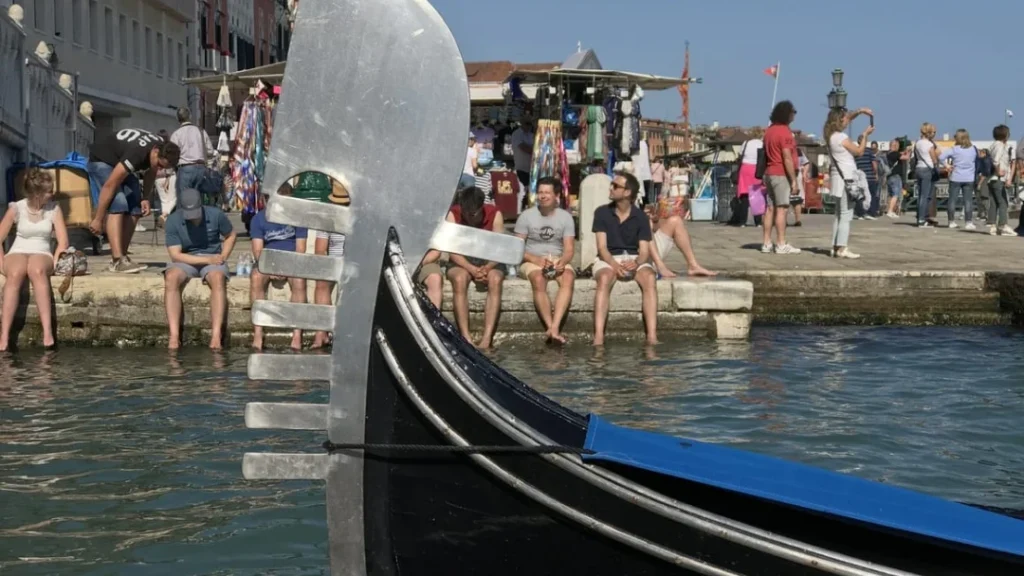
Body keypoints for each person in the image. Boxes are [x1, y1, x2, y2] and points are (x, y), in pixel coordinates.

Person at [88, 128, 180, 273]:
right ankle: (117, 259)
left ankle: (121, 257)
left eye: (165, 168)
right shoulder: (137, 154)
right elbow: (110, 185)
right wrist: (98, 219)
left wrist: (145, 198)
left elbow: (152, 172)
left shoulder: (161, 148)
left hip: (119, 160)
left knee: (136, 207)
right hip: (102, 161)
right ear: (155, 152)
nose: (160, 169)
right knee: (119, 203)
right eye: (160, 165)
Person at [0, 168, 69, 351]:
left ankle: (48, 332)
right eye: (48, 191)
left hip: (42, 250)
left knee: (36, 270)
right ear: (36, 194)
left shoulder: (54, 209)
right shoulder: (16, 208)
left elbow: (63, 241)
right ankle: (4, 335)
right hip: (18, 250)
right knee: (15, 273)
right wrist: (1, 261)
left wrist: (55, 260)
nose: (52, 193)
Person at [163, 188, 236, 350]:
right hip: (186, 258)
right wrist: (206, 259)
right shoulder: (173, 220)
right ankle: (174, 336)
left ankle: (216, 335)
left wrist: (223, 255)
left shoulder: (216, 215)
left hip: (213, 257)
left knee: (217, 278)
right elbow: (176, 255)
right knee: (171, 278)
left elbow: (231, 235)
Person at [592, 172, 658, 346]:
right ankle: (598, 336)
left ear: (627, 192)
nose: (611, 188)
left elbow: (644, 251)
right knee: (605, 278)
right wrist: (614, 265)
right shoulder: (602, 213)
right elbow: (601, 248)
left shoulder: (641, 217)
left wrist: (636, 263)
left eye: (615, 186)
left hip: (634, 257)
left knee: (650, 279)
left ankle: (651, 335)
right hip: (608, 258)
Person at [513, 177, 576, 344]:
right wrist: (535, 259)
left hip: (556, 258)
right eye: (540, 192)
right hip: (531, 259)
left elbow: (569, 249)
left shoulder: (566, 217)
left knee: (568, 277)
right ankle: (550, 326)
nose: (542, 196)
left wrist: (562, 261)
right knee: (539, 279)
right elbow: (516, 247)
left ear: (556, 196)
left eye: (547, 192)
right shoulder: (526, 216)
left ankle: (555, 327)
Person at [249, 188, 309, 351]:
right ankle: (258, 332)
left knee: (299, 280)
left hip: (291, 260)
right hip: (269, 260)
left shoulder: (298, 218)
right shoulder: (258, 219)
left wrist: (286, 266)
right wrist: (272, 267)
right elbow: (258, 252)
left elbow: (300, 249)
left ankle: (297, 334)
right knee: (256, 277)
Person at [446, 185, 506, 349]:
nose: (469, 217)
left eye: (473, 213)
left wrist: (487, 267)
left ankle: (487, 338)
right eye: (465, 213)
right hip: (462, 260)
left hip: (490, 259)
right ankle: (466, 337)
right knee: (459, 279)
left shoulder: (495, 214)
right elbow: (452, 251)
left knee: (495, 279)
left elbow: (500, 248)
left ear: (481, 208)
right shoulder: (453, 214)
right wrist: (471, 268)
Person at [824, 107, 874, 259]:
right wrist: (865, 135)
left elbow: (848, 118)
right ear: (840, 120)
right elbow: (859, 151)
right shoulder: (841, 137)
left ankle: (834, 246)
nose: (847, 121)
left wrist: (860, 112)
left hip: (837, 178)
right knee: (846, 214)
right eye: (845, 119)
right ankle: (842, 248)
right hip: (847, 179)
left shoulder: (830, 136)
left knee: (838, 214)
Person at [761, 101, 801, 254]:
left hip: (769, 172)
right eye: (793, 112)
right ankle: (781, 243)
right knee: (782, 209)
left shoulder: (769, 131)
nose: (794, 115)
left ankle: (766, 243)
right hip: (780, 173)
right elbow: (787, 157)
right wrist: (793, 181)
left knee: (770, 209)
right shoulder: (785, 132)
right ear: (787, 113)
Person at [170, 107, 215, 197]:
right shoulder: (201, 131)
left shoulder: (176, 134)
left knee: (185, 200)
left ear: (178, 119)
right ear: (190, 116)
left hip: (185, 169)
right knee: (199, 200)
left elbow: (172, 155)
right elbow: (210, 151)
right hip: (201, 168)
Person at [938, 129, 978, 230]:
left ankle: (951, 221)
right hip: (969, 177)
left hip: (956, 177)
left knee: (952, 200)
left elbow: (941, 157)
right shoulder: (973, 149)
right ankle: (968, 222)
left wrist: (947, 165)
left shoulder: (954, 149)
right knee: (968, 201)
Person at [731, 126, 764, 227]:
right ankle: (758, 222)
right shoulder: (762, 144)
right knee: (757, 195)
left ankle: (742, 221)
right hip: (756, 169)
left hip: (745, 169)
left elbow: (740, 155)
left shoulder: (745, 143)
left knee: (744, 196)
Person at [988, 125, 1017, 236]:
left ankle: (992, 226)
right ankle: (1003, 225)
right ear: (1006, 134)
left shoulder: (993, 145)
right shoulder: (1001, 146)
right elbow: (996, 161)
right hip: (999, 178)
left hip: (991, 179)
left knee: (994, 203)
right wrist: (999, 172)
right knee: (1003, 202)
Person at [913, 123, 941, 228]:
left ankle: (920, 217)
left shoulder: (918, 143)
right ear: (929, 132)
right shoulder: (929, 145)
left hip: (919, 168)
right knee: (926, 196)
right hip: (927, 169)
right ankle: (922, 219)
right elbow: (934, 159)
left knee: (921, 195)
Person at [885, 139, 912, 218]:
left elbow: (901, 154)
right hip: (895, 176)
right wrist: (909, 151)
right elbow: (906, 157)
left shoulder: (888, 154)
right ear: (895, 146)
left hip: (889, 176)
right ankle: (890, 211)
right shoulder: (895, 153)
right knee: (896, 195)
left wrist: (905, 151)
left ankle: (891, 210)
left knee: (891, 194)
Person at [854, 141, 879, 219]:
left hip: (860, 178)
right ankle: (871, 213)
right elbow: (874, 164)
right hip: (870, 177)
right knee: (872, 195)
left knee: (860, 196)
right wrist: (876, 173)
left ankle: (860, 213)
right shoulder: (869, 151)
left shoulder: (856, 152)